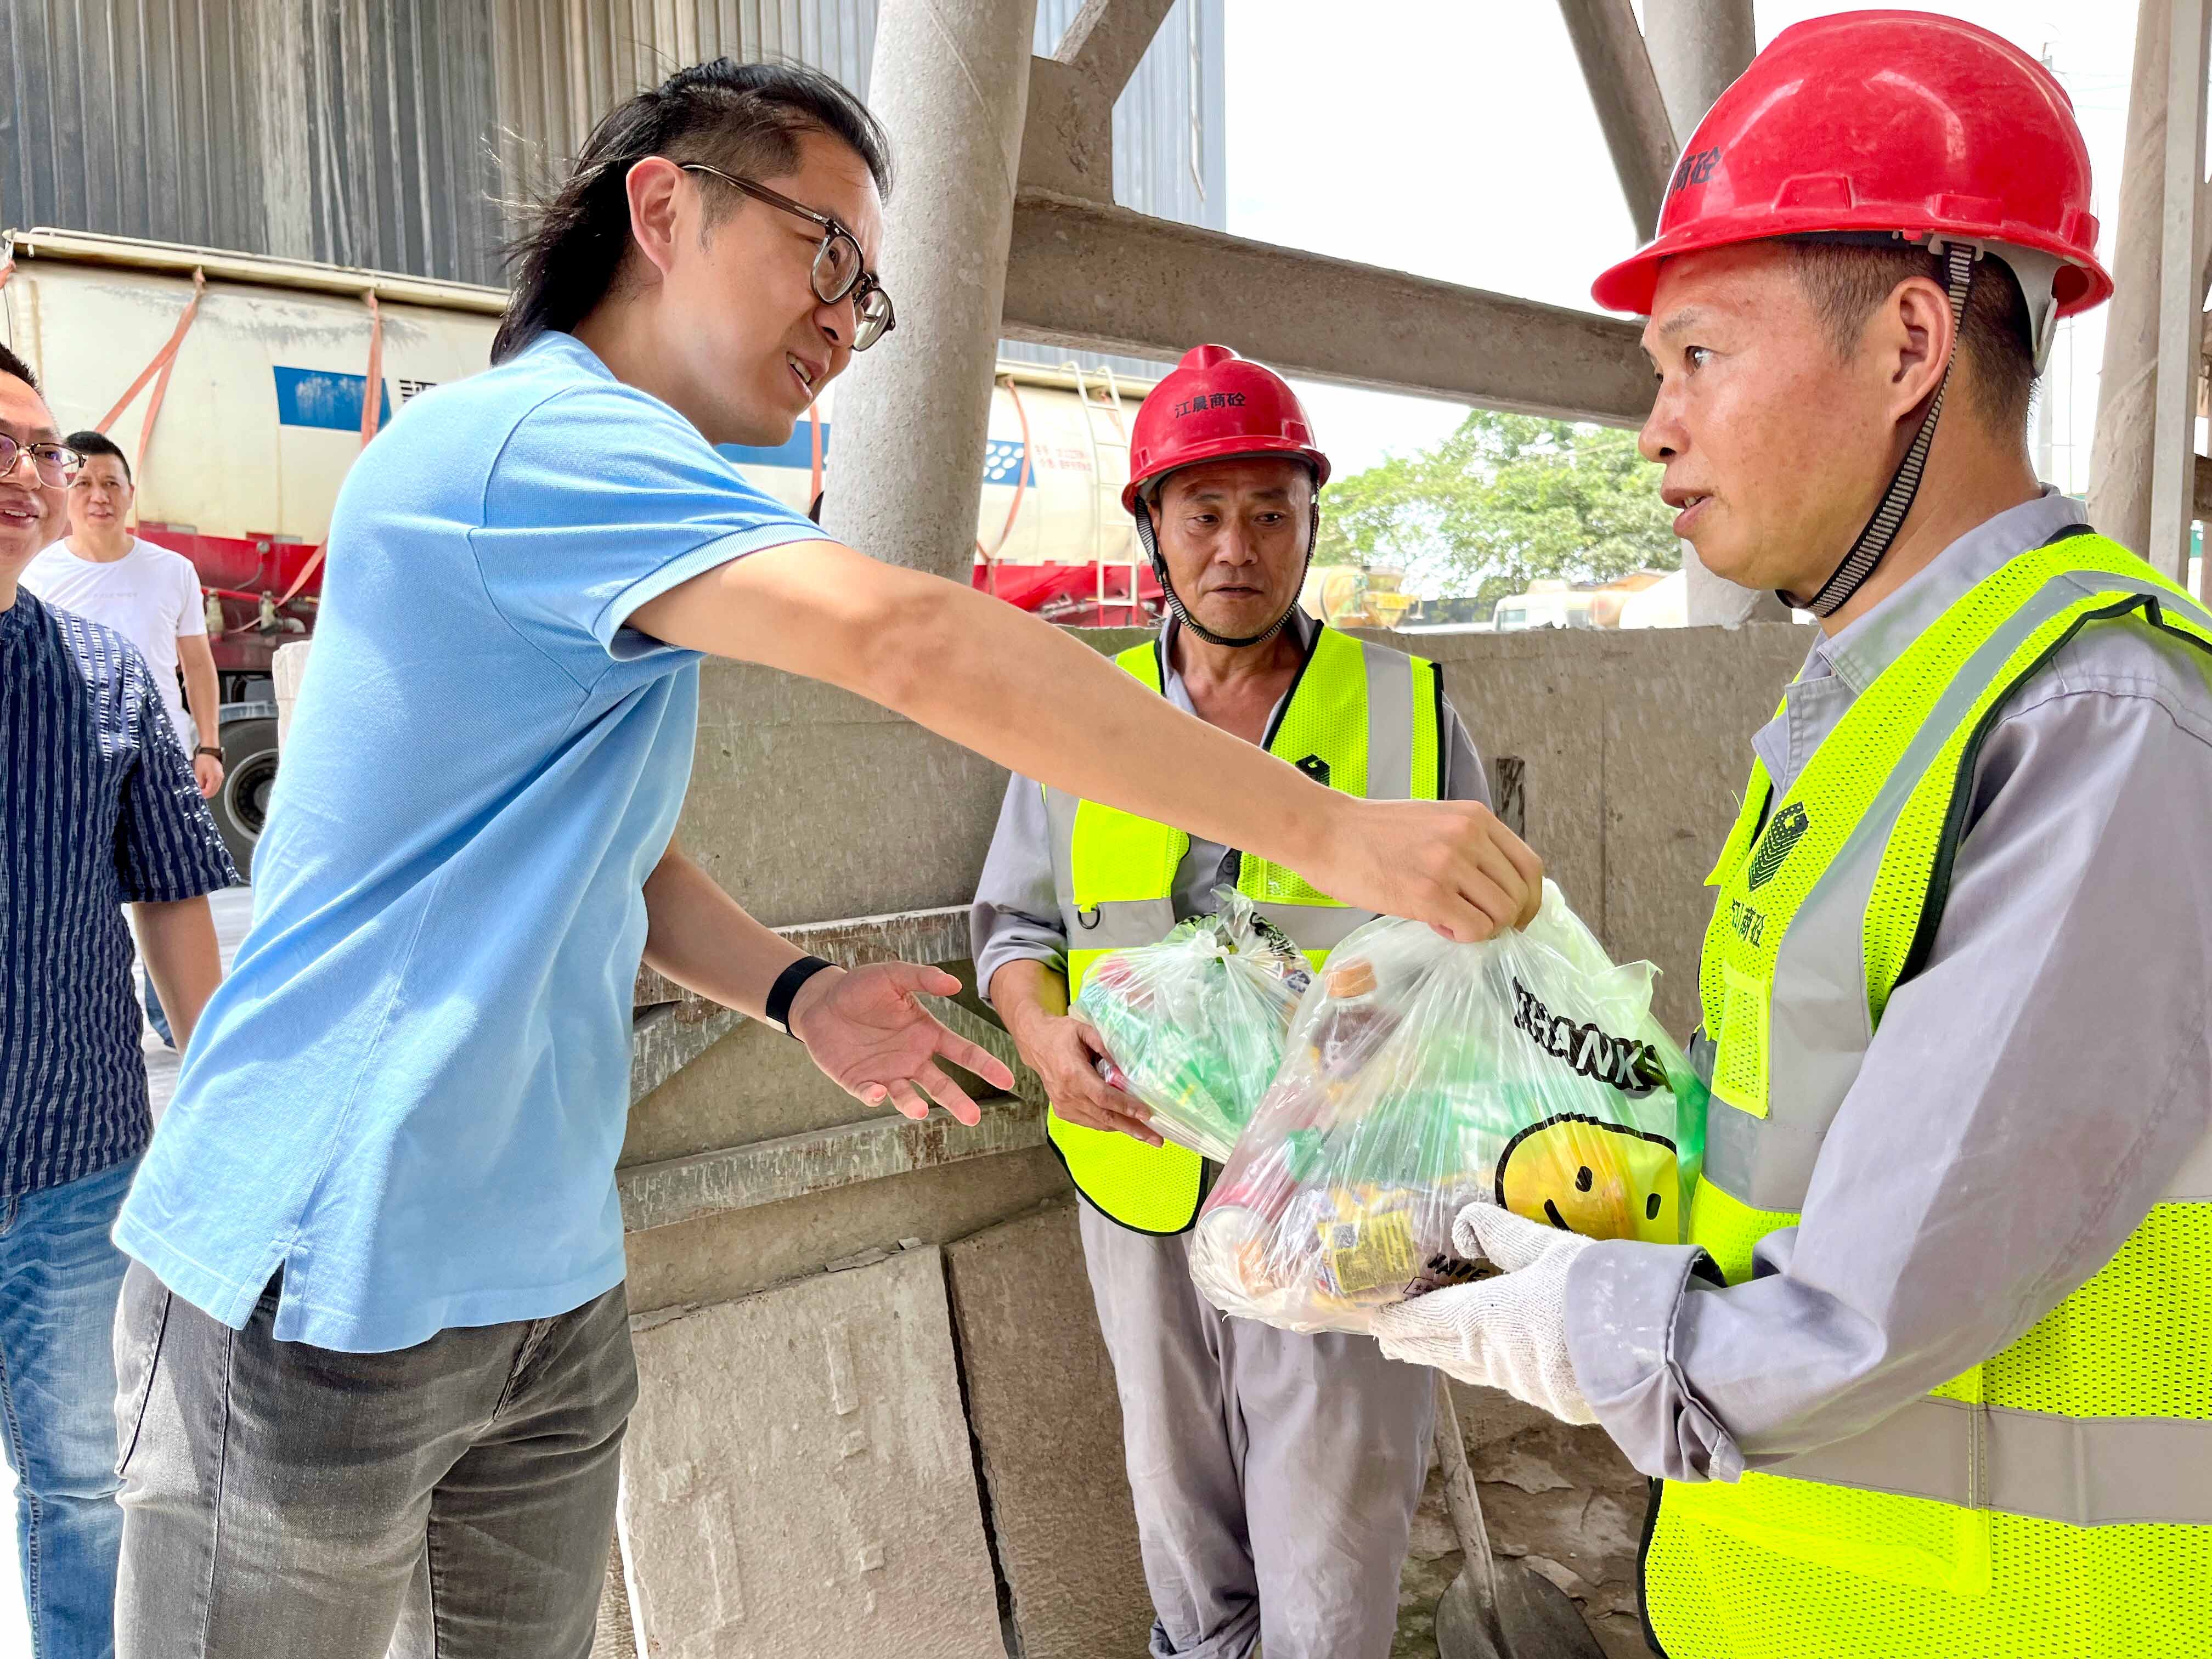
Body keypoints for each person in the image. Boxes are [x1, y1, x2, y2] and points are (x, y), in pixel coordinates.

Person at [106, 59, 1541, 1659]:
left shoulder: (624, 507)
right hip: (321, 1269)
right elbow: (909, 640)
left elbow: (609, 852)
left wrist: (795, 993)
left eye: (871, 292)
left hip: (536, 1283)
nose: (849, 322)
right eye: (830, 252)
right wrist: (1336, 832)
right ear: (665, 209)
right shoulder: (533, 445)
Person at [1370, 15, 2212, 1658]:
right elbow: (1803, 1146)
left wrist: (1564, 1323)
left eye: (1700, 355)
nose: (1656, 426)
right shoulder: (1877, 698)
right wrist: (1556, 1169)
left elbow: (1870, 1308)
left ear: (1910, 344)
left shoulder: (2094, 722)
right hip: (1810, 1596)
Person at [970, 343, 1509, 1659]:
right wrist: (1043, 1038)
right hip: (1137, 1169)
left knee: (1332, 1519)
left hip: (1340, 1187)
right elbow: (1013, 929)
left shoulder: (1406, 709)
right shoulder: (1079, 715)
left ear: (1312, 522)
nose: (1238, 548)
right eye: (1204, 512)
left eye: (1272, 512)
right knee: (1178, 1502)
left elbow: (1487, 949)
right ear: (1152, 529)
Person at [0, 343, 237, 1659]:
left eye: (41, 447)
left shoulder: (104, 674)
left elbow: (174, 908)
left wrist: (231, 1110)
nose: (30, 472)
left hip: (72, 1162)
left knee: (86, 1486)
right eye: (2, 445)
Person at [24, 429, 228, 1047]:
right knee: (82, 899)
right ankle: (89, 1030)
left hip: (161, 759)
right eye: (84, 482)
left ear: (130, 494)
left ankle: (184, 1028)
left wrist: (209, 744)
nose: (99, 496)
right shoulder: (37, 571)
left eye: (112, 483)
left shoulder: (173, 571)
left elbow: (197, 665)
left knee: (172, 890)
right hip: (69, 762)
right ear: (65, 489)